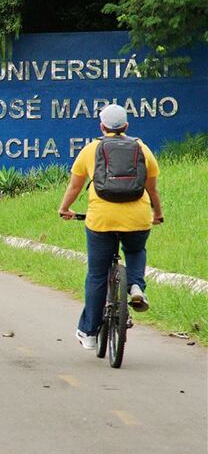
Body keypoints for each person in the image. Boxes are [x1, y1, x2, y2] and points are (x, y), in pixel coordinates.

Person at [58, 103, 163, 350]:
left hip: (101, 219)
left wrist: (64, 209)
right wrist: (157, 214)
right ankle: (136, 285)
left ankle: (89, 333)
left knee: (97, 274)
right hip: (137, 217)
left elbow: (74, 186)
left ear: (101, 126)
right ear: (126, 126)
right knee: (136, 250)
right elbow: (152, 189)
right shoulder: (142, 149)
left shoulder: (91, 150)